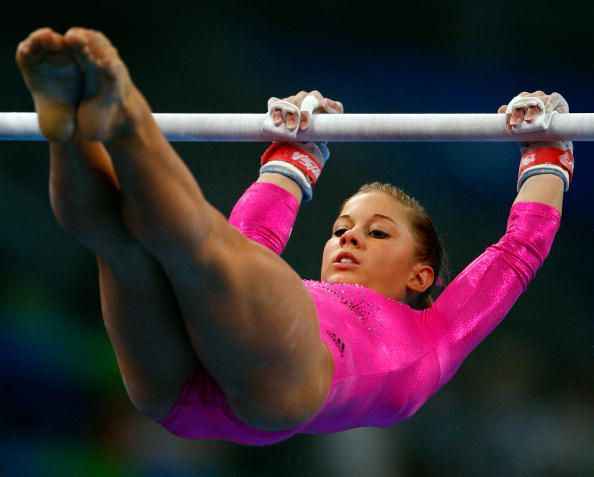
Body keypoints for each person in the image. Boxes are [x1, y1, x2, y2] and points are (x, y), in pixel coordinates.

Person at [16, 27, 572, 446]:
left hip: (281, 383)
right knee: (120, 246)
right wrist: (296, 156)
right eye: (340, 229)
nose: (348, 240)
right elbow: (250, 237)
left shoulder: (439, 331)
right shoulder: (294, 295)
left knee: (205, 253)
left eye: (377, 232)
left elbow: (518, 252)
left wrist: (548, 154)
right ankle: (65, 119)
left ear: (421, 274)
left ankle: (124, 112)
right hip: (197, 386)